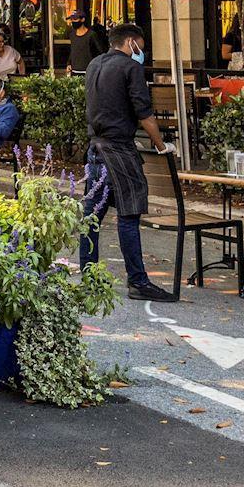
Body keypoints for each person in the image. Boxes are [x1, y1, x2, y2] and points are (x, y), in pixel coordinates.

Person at [82, 23, 176, 301]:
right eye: (141, 47)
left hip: (95, 148)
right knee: (129, 215)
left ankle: (88, 277)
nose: (141, 52)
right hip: (120, 149)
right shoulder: (131, 68)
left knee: (92, 217)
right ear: (132, 42)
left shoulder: (94, 65)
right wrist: (161, 145)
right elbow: (144, 112)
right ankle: (138, 281)